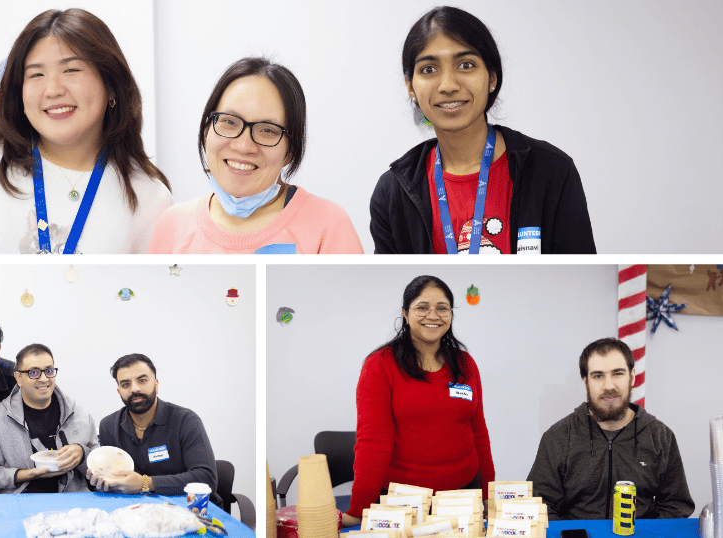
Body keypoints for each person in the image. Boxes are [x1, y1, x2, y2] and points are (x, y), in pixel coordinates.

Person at [0, 8, 172, 254]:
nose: (53, 89)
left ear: (111, 85)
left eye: (71, 70)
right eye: (36, 75)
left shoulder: (149, 198)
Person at [369, 6, 595, 254]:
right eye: (429, 69)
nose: (448, 85)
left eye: (466, 65)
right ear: (410, 87)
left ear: (492, 78)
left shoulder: (551, 171)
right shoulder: (392, 193)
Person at [147, 57, 363, 254]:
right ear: (206, 133)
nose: (243, 146)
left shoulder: (328, 226)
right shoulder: (172, 226)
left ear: (290, 151)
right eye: (229, 122)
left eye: (267, 130)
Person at [344, 275, 493, 526]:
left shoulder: (466, 363)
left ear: (451, 315)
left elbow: (478, 430)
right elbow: (372, 441)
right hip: (404, 502)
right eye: (422, 307)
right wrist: (360, 509)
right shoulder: (380, 365)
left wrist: (488, 493)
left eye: (442, 308)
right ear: (405, 313)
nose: (432, 316)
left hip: (463, 495)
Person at [526, 338, 693, 520]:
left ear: (632, 376)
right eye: (598, 376)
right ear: (585, 381)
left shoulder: (660, 436)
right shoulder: (558, 436)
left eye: (618, 374)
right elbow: (538, 503)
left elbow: (676, 505)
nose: (609, 386)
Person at [90, 354, 218, 496]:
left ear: (156, 385)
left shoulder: (186, 420)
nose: (134, 389)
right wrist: (102, 481)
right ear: (119, 391)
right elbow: (113, 480)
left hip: (186, 509)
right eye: (126, 384)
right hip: (135, 511)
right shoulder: (108, 426)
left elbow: (206, 478)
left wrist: (146, 483)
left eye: (142, 380)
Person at [0, 344, 97, 493]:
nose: (43, 379)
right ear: (18, 378)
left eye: (49, 371)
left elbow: (99, 462)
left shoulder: (78, 413)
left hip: (72, 501)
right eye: (34, 372)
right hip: (20, 502)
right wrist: (27, 475)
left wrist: (82, 454)